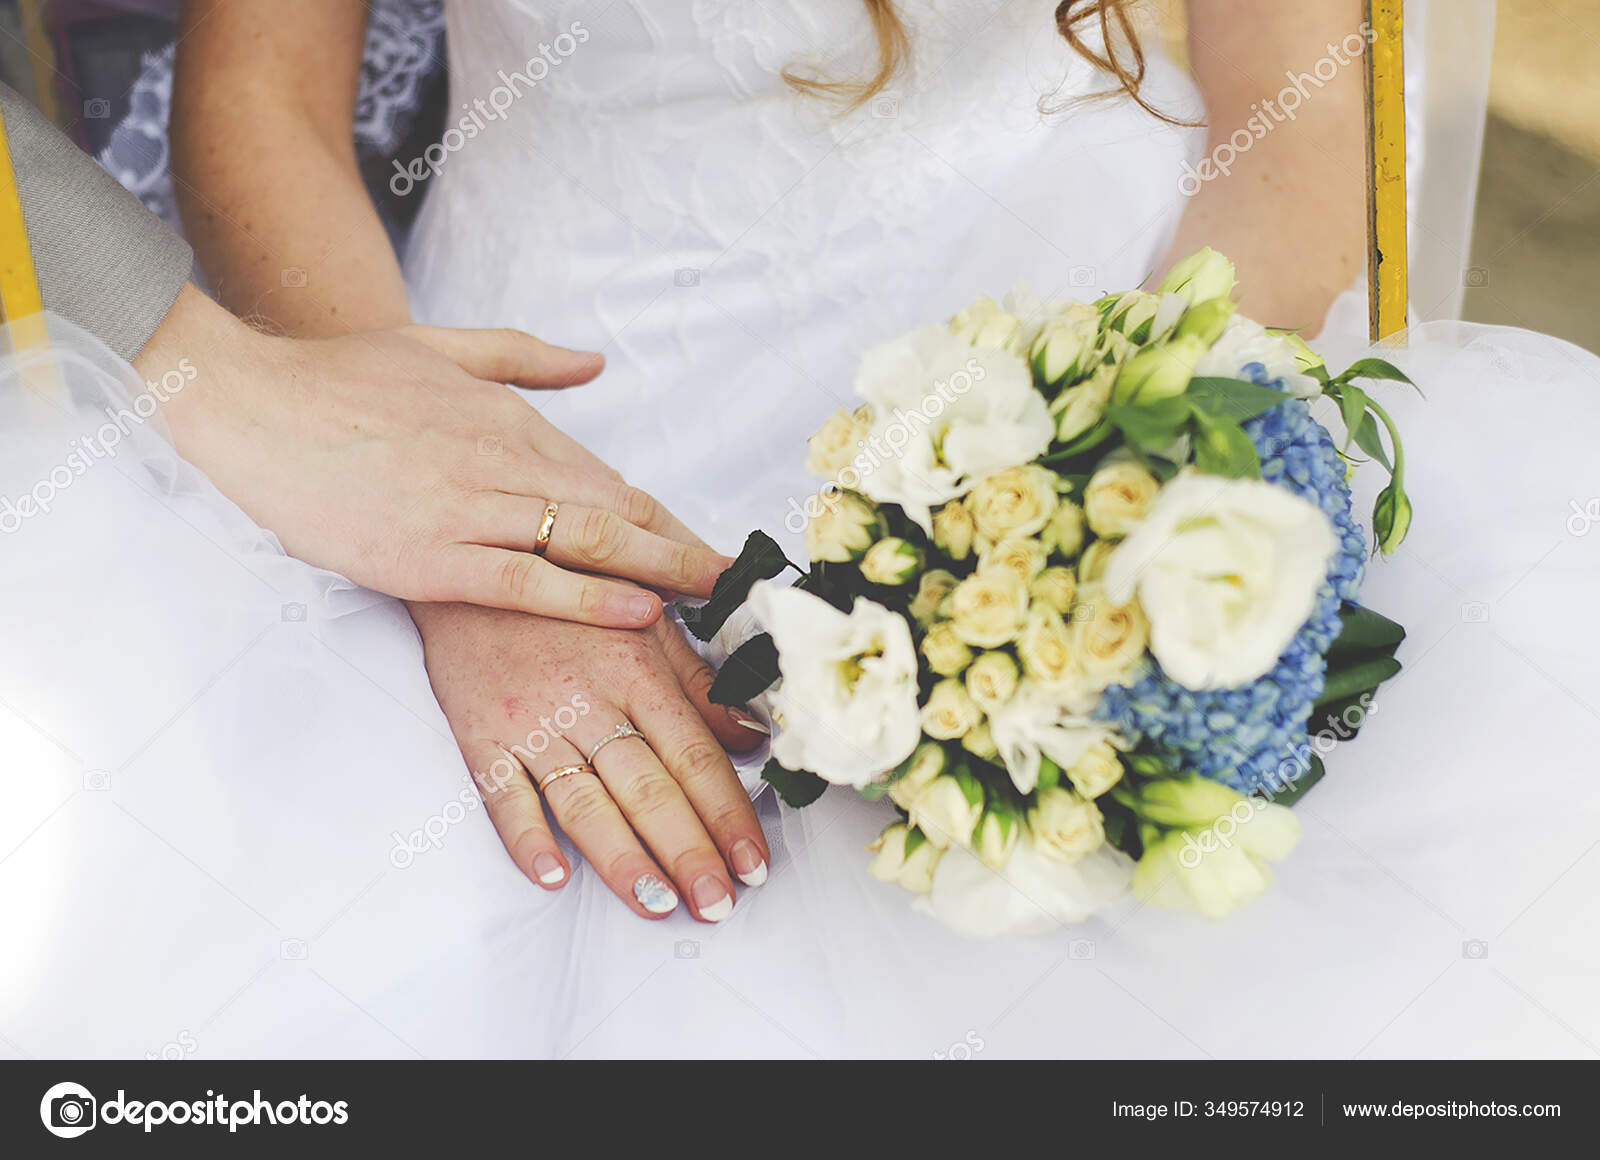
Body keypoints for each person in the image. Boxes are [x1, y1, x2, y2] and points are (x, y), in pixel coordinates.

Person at [7, 0, 1600, 1057]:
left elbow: (1298, 112)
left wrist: (1099, 513)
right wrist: (459, 523)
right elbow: (260, 103)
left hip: (1078, 329)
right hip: (564, 386)